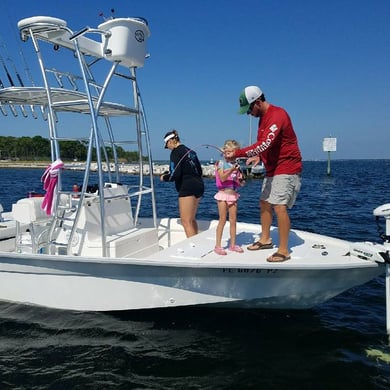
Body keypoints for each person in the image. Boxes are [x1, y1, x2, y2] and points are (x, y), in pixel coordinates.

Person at [230, 85, 302, 262]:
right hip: (273, 168)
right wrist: (259, 157)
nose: (248, 114)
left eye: (249, 109)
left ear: (258, 102)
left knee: (279, 206)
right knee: (264, 202)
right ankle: (265, 240)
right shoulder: (263, 119)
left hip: (286, 167)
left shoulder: (278, 115)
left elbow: (265, 143)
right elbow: (264, 145)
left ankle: (284, 250)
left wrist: (238, 153)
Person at [160, 130, 204, 237]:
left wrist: (164, 177)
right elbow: (199, 171)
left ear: (171, 141)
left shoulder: (175, 152)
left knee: (185, 221)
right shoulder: (190, 151)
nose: (168, 148)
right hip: (199, 185)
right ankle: (196, 243)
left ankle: (193, 248)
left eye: (167, 146)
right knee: (192, 219)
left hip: (187, 187)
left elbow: (174, 175)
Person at [213, 140, 245, 255]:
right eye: (227, 151)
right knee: (222, 220)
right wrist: (232, 170)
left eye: (231, 151)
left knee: (233, 221)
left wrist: (240, 179)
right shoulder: (221, 163)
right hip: (222, 195)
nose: (228, 153)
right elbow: (222, 178)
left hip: (233, 195)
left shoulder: (236, 166)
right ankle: (218, 245)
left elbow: (241, 183)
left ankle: (232, 245)